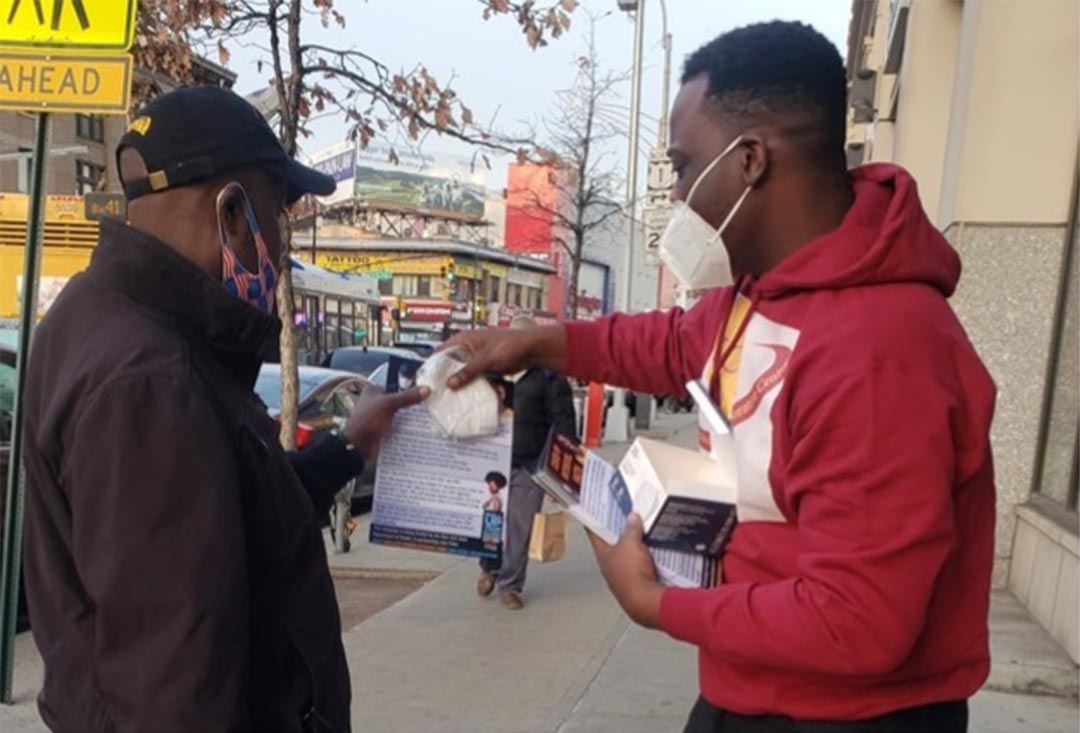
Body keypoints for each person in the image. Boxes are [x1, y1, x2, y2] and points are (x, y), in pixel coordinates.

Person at [445, 21, 995, 733]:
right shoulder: (756, 291)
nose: (675, 194)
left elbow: (859, 621)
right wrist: (538, 342)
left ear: (749, 161)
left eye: (681, 165)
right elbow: (674, 347)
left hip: (849, 716)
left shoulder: (881, 352)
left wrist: (656, 604)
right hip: (751, 687)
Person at [21, 86, 427, 733]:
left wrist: (348, 446)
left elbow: (231, 519)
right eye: (278, 215)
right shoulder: (152, 379)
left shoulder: (102, 318)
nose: (281, 242)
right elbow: (175, 683)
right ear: (232, 213)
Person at [476, 315, 578, 611]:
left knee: (520, 527)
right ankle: (488, 569)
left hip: (529, 463)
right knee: (491, 522)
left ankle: (511, 585)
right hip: (493, 462)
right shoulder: (493, 373)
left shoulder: (549, 377)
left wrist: (560, 471)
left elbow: (563, 422)